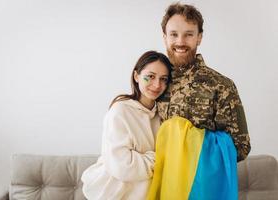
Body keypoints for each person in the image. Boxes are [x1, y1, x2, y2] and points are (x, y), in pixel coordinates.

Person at [157, 2, 251, 162]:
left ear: (199, 37)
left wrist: (193, 143)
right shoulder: (154, 83)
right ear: (165, 37)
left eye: (188, 34)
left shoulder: (221, 86)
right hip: (158, 181)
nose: (180, 41)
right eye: (173, 34)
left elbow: (241, 147)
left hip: (200, 183)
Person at [81, 51, 172, 200]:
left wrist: (144, 159)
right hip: (113, 194)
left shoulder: (163, 114)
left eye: (163, 79)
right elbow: (123, 166)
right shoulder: (120, 111)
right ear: (136, 76)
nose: (157, 85)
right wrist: (160, 158)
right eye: (150, 76)